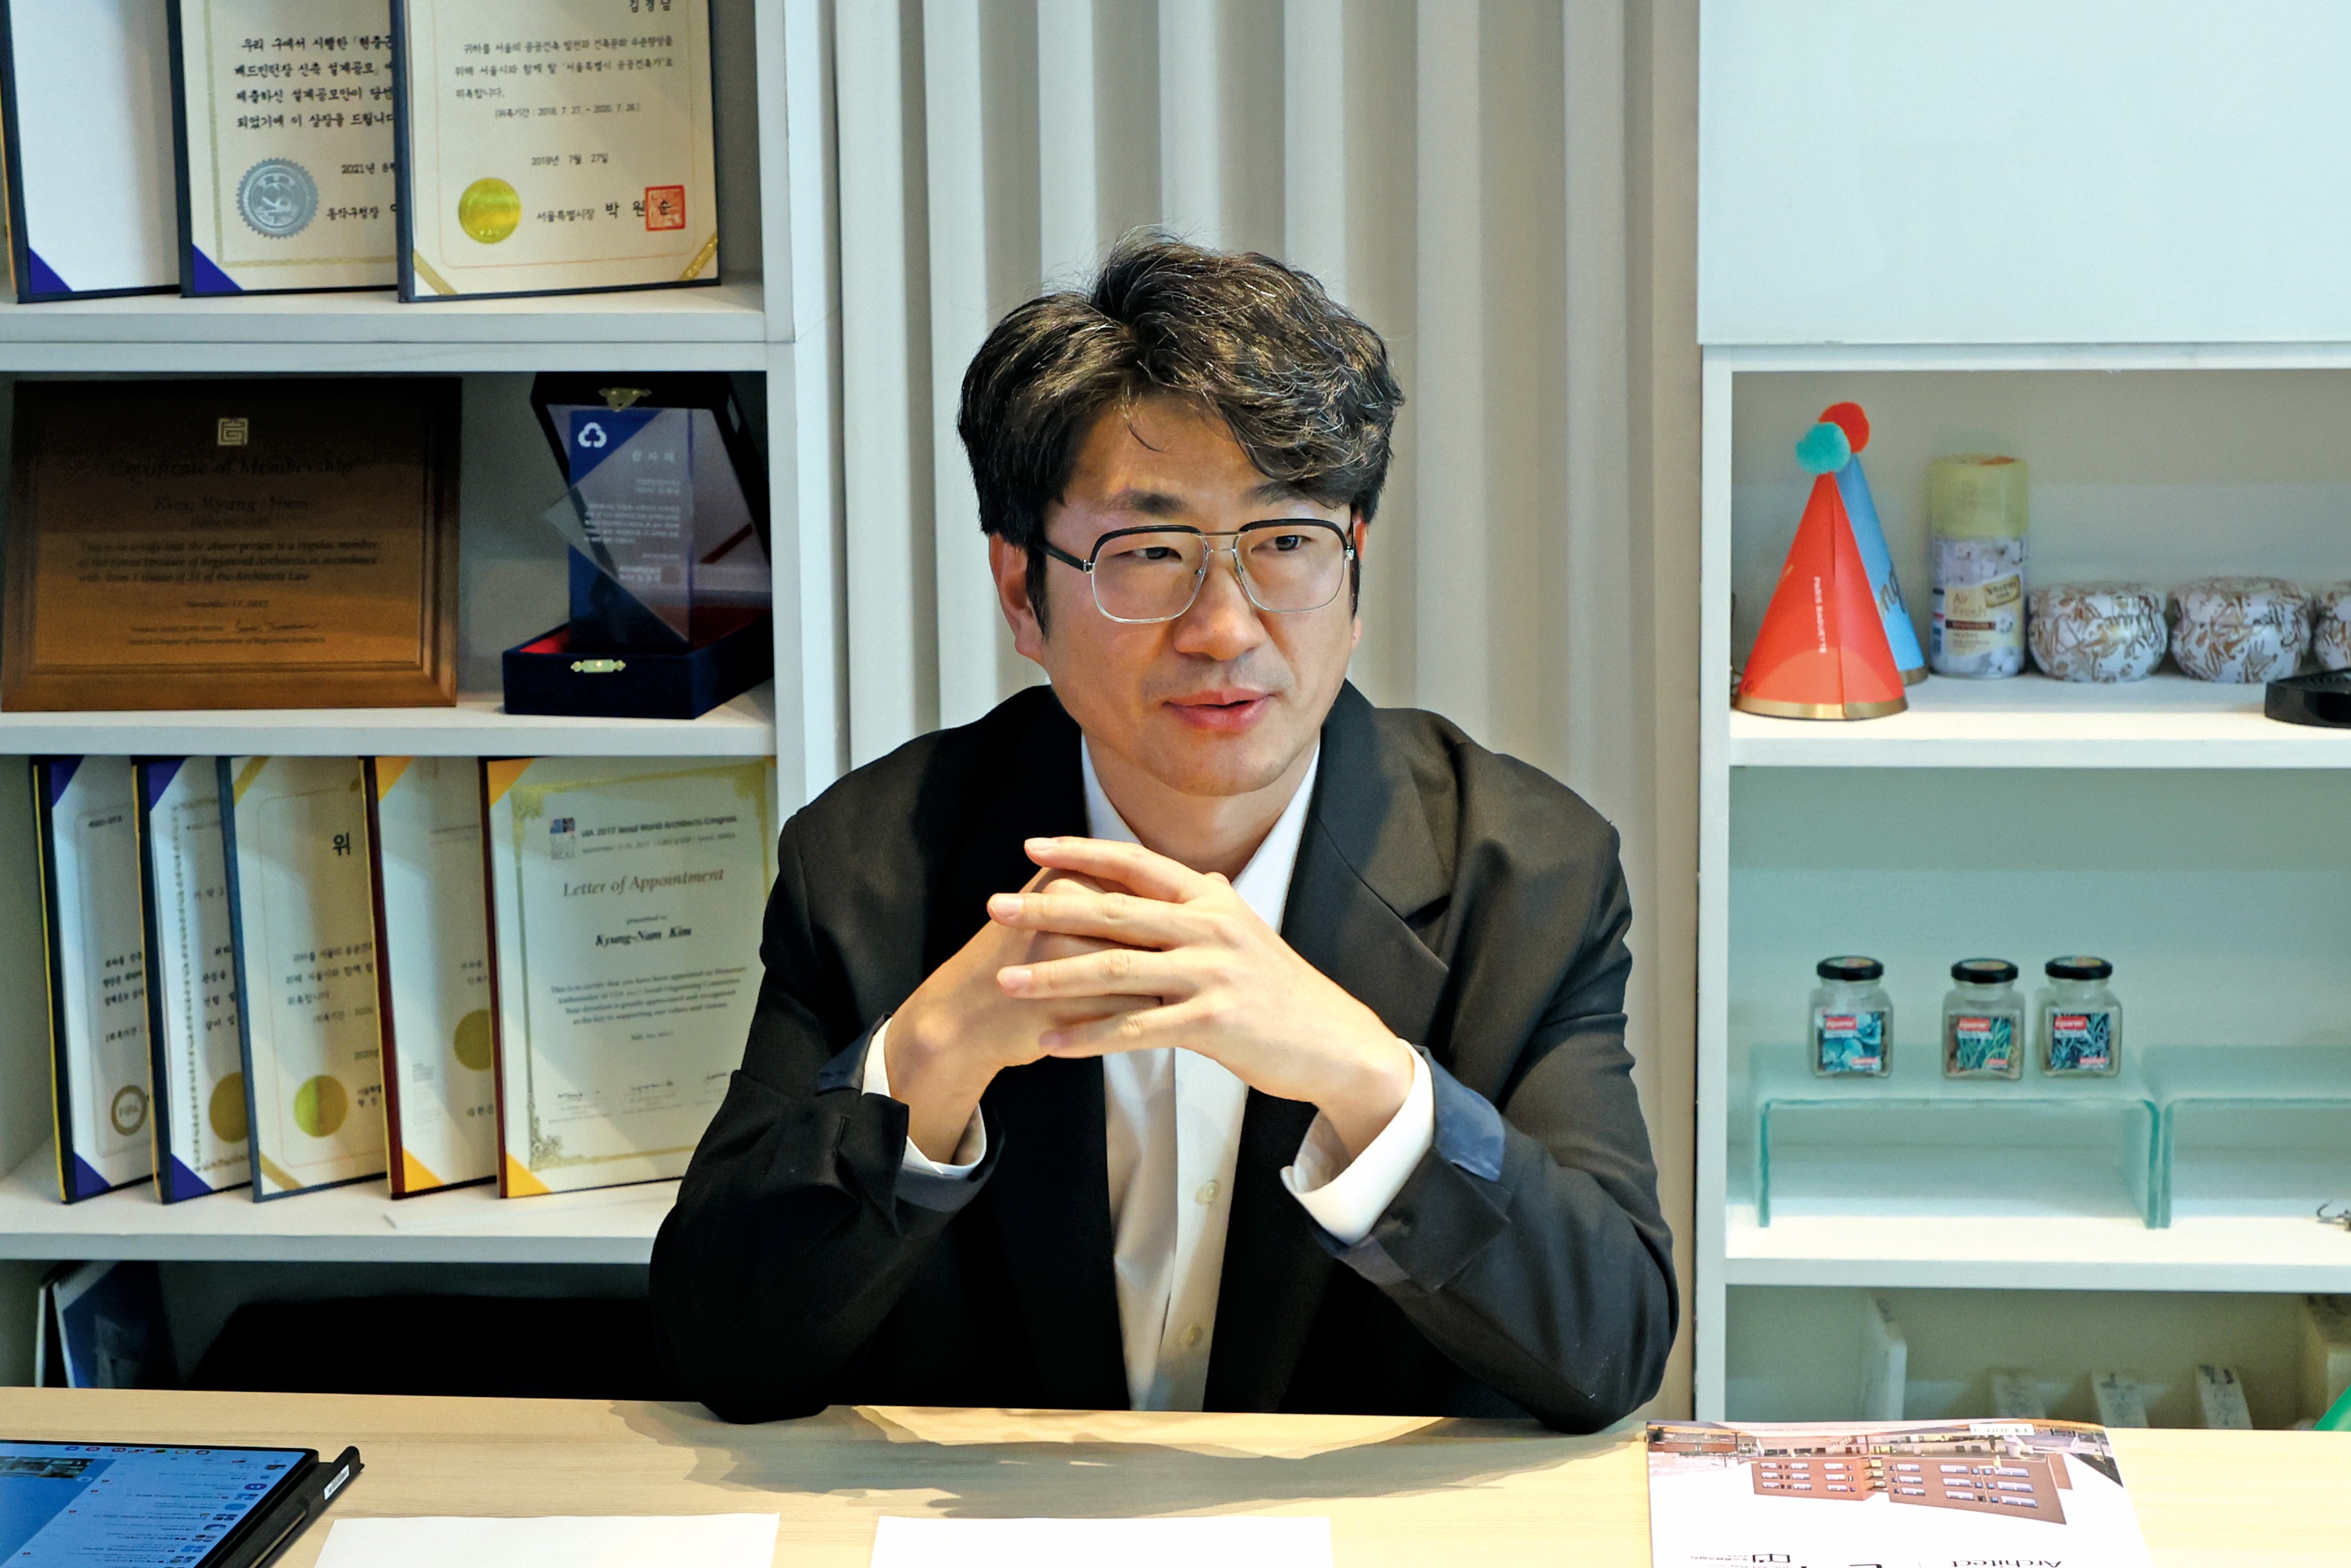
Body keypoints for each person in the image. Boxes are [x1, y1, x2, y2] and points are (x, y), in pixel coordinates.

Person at [650, 234, 1676, 1432]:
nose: (1224, 628)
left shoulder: (1527, 874)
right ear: (1022, 592)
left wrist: (1366, 1078)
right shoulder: (871, 865)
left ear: (1353, 570)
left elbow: (1609, 1348)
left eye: (1285, 542)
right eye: (1147, 553)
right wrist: (930, 1056)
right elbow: (725, 1347)